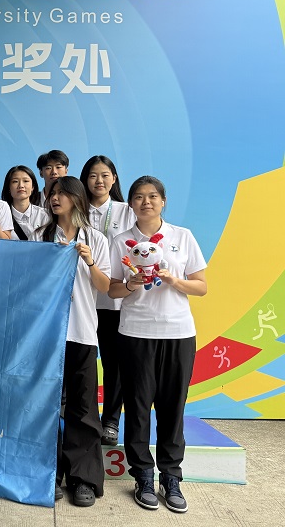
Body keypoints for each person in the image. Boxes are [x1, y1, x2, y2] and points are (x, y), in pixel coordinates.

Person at [108, 176, 207, 514]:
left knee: (172, 407)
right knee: (137, 407)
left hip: (178, 333)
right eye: (139, 197)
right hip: (135, 333)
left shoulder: (183, 236)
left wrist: (174, 280)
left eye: (152, 196)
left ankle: (171, 477)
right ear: (130, 203)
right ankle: (143, 476)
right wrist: (132, 283)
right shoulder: (121, 241)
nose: (146, 202)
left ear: (163, 201)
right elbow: (112, 290)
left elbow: (201, 286)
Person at [32, 176, 110, 507]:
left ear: (77, 199)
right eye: (52, 193)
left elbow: (105, 286)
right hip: (46, 334)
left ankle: (84, 479)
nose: (55, 198)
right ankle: (47, 474)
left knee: (83, 408)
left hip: (81, 332)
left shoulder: (95, 239)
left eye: (62, 193)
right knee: (44, 406)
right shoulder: (40, 236)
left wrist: (89, 260)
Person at [78, 155, 136, 446]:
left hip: (114, 303)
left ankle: (110, 420)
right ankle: (83, 418)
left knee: (115, 364)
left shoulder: (128, 211)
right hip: (82, 301)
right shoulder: (76, 210)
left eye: (104, 175)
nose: (99, 181)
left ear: (114, 179)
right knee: (83, 363)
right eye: (92, 176)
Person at [1, 165, 49, 241]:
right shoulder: (1, 216)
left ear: (33, 187)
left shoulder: (45, 215)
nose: (21, 186)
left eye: (26, 181)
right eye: (15, 181)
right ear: (9, 188)